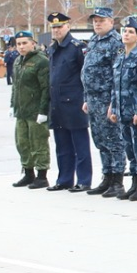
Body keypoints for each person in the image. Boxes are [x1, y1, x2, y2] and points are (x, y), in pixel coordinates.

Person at [44, 13, 93, 192]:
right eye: (54, 28)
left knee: (80, 145)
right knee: (62, 145)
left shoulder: (77, 48)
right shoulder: (52, 49)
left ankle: (84, 180)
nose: (56, 30)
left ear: (68, 27)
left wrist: (86, 99)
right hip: (57, 104)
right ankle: (64, 179)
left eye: (60, 27)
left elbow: (85, 76)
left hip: (74, 103)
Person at [82, 7, 127, 199]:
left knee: (113, 140)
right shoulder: (93, 40)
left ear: (111, 21)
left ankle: (117, 181)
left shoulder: (116, 42)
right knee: (100, 140)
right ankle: (107, 176)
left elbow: (118, 73)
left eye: (101, 20)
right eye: (95, 20)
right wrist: (86, 98)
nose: (97, 23)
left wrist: (113, 102)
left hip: (107, 99)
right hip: (93, 98)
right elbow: (88, 70)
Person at [109, 15, 137, 201]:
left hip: (136, 112)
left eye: (130, 32)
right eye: (124, 31)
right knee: (130, 149)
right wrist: (112, 108)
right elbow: (115, 85)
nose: (126, 34)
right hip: (122, 111)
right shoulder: (120, 58)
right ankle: (134, 185)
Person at [9, 30, 51, 189]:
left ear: (33, 43)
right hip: (21, 110)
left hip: (35, 111)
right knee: (22, 143)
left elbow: (45, 88)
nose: (21, 47)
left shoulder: (41, 61)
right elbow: (15, 87)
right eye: (18, 44)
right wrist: (12, 105)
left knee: (38, 143)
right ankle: (28, 174)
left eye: (24, 43)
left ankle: (42, 176)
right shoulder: (18, 61)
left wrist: (43, 111)